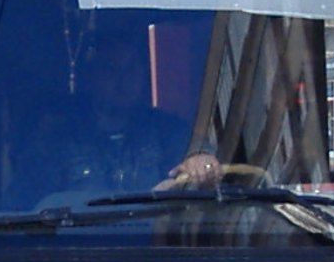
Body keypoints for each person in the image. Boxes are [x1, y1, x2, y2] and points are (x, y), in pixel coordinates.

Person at [49, 29, 220, 196]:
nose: (123, 80)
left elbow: (197, 151)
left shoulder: (165, 129)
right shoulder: (61, 139)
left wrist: (200, 162)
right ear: (92, 77)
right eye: (111, 69)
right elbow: (41, 202)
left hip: (160, 216)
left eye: (131, 69)